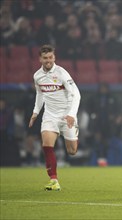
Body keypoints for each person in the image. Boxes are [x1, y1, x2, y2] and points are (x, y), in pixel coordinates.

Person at [29, 45, 81, 191]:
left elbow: (76, 94)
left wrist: (71, 114)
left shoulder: (62, 73)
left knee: (72, 151)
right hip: (50, 115)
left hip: (67, 114)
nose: (48, 61)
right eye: (45, 58)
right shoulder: (37, 76)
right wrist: (35, 112)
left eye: (51, 57)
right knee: (47, 145)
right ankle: (54, 180)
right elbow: (40, 94)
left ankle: (74, 131)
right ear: (40, 59)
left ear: (54, 57)